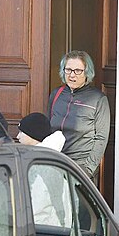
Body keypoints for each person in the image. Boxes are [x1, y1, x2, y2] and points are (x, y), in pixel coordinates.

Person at [48, 50, 110, 181]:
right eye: (68, 70)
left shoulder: (98, 99)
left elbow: (101, 138)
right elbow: (49, 126)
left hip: (80, 167)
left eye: (77, 71)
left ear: (87, 73)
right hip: (56, 163)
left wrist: (88, 169)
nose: (72, 75)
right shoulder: (56, 94)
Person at [17, 112, 69, 226]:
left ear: (33, 134)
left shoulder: (42, 167)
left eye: (21, 132)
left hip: (44, 231)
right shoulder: (40, 161)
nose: (17, 137)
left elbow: (38, 212)